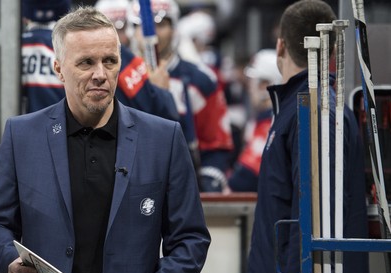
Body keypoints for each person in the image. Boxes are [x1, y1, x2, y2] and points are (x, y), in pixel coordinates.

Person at [0, 6, 211, 273]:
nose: (100, 73)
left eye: (109, 61)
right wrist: (9, 263)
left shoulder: (163, 139)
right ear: (59, 68)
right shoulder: (22, 136)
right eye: (86, 62)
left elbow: (190, 241)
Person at [238, 1, 370, 273]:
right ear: (332, 49)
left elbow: (316, 214)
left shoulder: (314, 109)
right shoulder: (296, 108)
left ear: (280, 44)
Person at [132, 0, 233, 192]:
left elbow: (216, 144)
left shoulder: (201, 80)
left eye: (160, 25)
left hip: (184, 184)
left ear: (174, 28)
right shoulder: (120, 78)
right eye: (142, 26)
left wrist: (208, 185)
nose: (150, 34)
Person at [21, 0, 178, 122]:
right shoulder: (96, 44)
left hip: (31, 149)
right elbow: (157, 107)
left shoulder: (8, 51)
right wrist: (161, 92)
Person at [225, 49, 281, 193]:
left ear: (264, 85)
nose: (250, 89)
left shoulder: (271, 122)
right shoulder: (267, 118)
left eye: (253, 82)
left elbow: (245, 177)